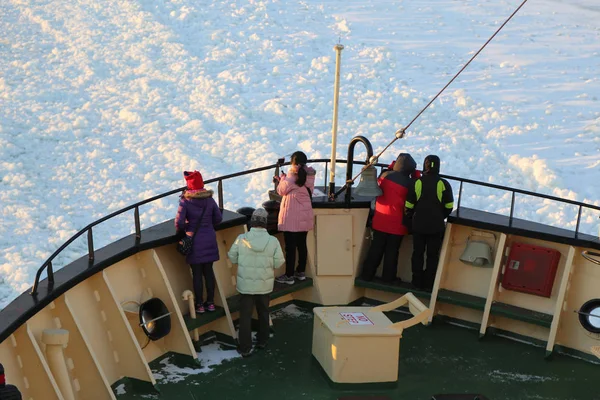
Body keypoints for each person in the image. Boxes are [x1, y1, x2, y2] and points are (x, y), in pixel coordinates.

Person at [228, 208, 285, 357]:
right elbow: (279, 262)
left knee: (245, 316)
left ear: (252, 222)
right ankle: (263, 341)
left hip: (245, 286)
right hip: (264, 286)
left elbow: (232, 256)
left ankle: (245, 347)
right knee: (263, 312)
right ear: (265, 224)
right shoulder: (273, 241)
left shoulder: (242, 238)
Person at [361, 153, 417, 283]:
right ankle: (388, 278)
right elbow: (414, 196)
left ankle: (367, 275)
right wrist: (415, 177)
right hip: (398, 224)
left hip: (380, 220)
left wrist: (390, 168)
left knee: (375, 249)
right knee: (392, 253)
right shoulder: (410, 183)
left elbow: (379, 182)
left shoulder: (384, 175)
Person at [175, 170, 223, 313]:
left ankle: (199, 305)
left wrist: (186, 231)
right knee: (208, 272)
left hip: (194, 242)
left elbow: (179, 223)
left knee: (197, 274)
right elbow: (218, 218)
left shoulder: (185, 201)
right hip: (209, 239)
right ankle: (211, 302)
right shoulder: (209, 200)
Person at [405, 155, 454, 291]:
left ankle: (416, 282)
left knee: (417, 254)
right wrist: (440, 216)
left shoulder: (417, 182)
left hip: (418, 225)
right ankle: (428, 284)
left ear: (424, 166)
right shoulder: (444, 184)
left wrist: (412, 218)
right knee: (432, 256)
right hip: (436, 226)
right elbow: (449, 206)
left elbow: (408, 205)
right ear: (438, 166)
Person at [273, 151, 316, 285]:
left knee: (290, 248)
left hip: (291, 218)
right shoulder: (309, 175)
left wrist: (281, 179)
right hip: (304, 216)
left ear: (293, 162)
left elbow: (281, 190)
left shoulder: (292, 176)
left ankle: (289, 276)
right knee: (301, 245)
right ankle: (301, 272)